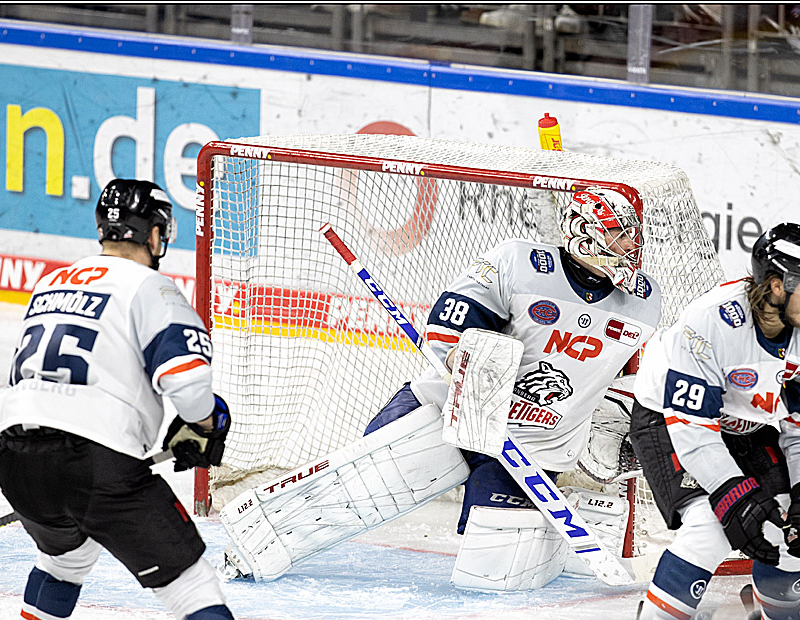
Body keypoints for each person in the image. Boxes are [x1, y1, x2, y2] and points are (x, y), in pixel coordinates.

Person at [221, 187, 661, 590]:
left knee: (493, 577)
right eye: (618, 236)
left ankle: (571, 514)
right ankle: (249, 546)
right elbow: (453, 319)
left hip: (526, 448)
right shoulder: (519, 263)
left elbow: (635, 378)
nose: (629, 247)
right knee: (359, 484)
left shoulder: (645, 300)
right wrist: (462, 360)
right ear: (585, 235)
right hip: (449, 410)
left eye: (630, 237)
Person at [0, 179, 253, 620]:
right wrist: (203, 424)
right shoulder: (150, 286)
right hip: (94, 463)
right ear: (154, 235)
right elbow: (188, 380)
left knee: (66, 559)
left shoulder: (53, 281)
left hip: (16, 459)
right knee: (193, 585)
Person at [621, 222, 800, 620]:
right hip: (669, 420)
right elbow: (694, 431)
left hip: (748, 424)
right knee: (709, 524)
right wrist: (734, 495)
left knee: (791, 528)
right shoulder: (709, 323)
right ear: (778, 285)